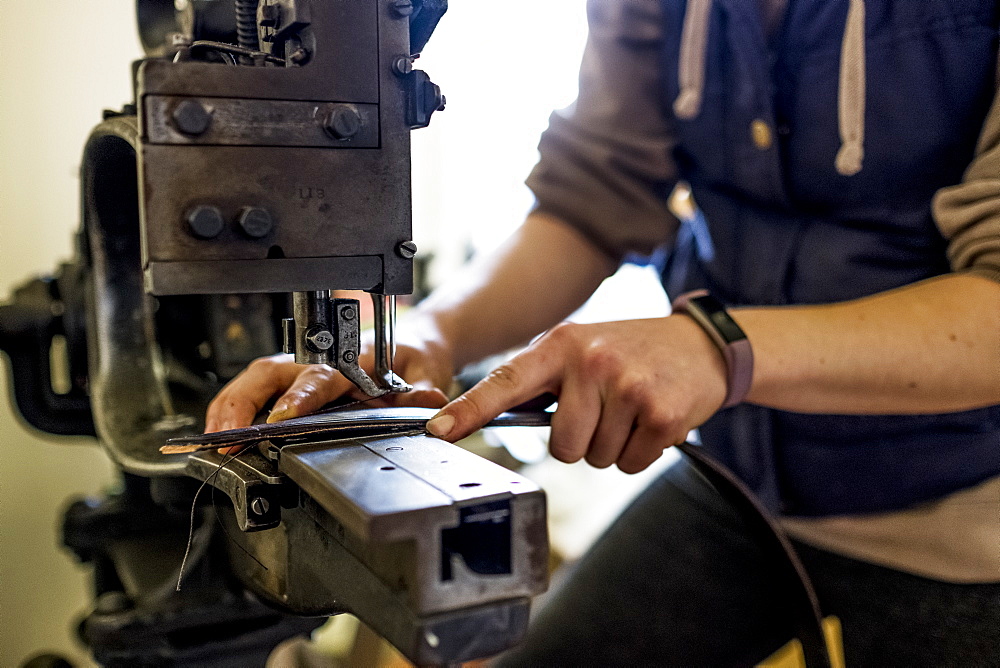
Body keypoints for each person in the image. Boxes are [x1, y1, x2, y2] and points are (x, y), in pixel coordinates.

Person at [207, 0, 1000, 664]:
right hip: (741, 476)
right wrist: (434, 331)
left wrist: (712, 348)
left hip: (960, 513)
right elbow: (593, 198)